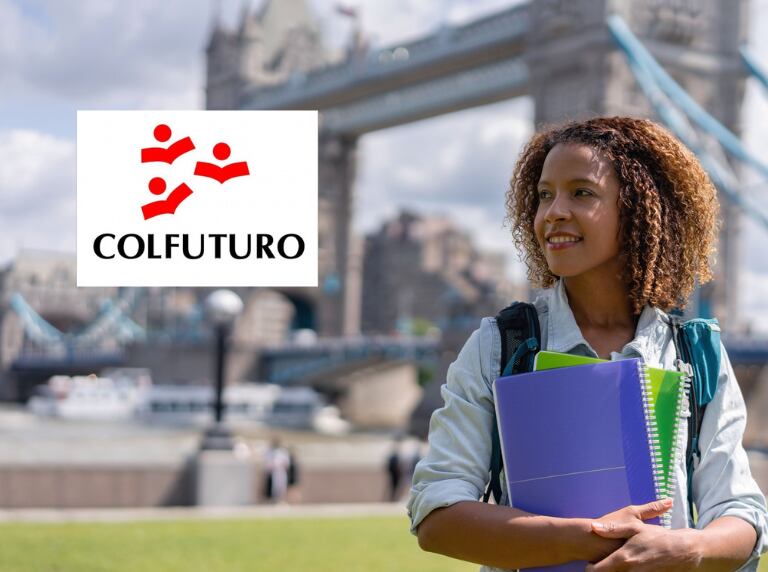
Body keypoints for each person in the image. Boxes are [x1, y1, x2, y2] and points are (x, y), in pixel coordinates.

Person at [408, 117, 768, 571]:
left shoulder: (697, 356)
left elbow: (743, 515)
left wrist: (686, 549)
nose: (553, 211)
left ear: (638, 207)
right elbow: (436, 515)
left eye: (582, 192)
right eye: (543, 195)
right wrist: (587, 538)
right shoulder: (500, 346)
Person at [263, 438, 290, 503]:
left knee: (281, 487)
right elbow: (267, 462)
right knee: (273, 488)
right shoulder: (269, 452)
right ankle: (273, 500)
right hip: (272, 472)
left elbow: (286, 463)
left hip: (281, 472)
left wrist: (279, 466)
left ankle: (281, 500)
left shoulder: (283, 452)